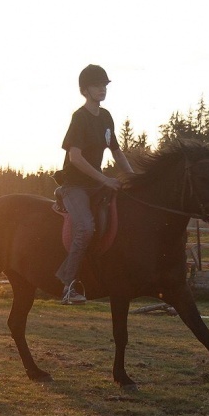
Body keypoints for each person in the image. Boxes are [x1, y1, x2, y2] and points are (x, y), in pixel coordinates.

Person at [55, 64, 133, 305]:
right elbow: (74, 158)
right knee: (86, 228)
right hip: (74, 185)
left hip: (97, 184)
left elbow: (117, 152)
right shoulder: (79, 118)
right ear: (85, 90)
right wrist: (105, 179)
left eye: (104, 85)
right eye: (97, 85)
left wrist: (133, 178)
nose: (102, 89)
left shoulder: (106, 117)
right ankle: (68, 285)